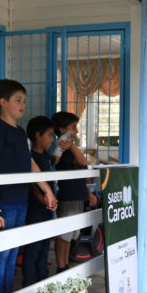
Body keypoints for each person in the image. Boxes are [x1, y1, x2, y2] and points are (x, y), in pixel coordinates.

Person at [0, 80, 57, 293]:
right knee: (1, 253)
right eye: (18, 100)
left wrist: (46, 188)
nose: (23, 105)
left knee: (12, 253)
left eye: (24, 101)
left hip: (21, 199)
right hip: (4, 199)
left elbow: (29, 162)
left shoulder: (21, 133)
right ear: (3, 102)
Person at [51, 111, 98, 273]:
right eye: (73, 128)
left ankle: (65, 265)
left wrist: (89, 193)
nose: (76, 132)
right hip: (68, 197)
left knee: (71, 235)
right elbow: (84, 164)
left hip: (78, 196)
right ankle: (61, 266)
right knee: (64, 235)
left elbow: (80, 173)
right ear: (62, 129)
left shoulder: (71, 148)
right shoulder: (60, 149)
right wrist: (69, 146)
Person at [24, 116, 56, 286]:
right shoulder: (31, 157)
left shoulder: (48, 157)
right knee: (33, 250)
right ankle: (30, 287)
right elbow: (31, 184)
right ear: (38, 135)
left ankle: (42, 285)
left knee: (44, 249)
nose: (52, 139)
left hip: (47, 208)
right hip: (36, 209)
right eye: (50, 135)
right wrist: (42, 198)